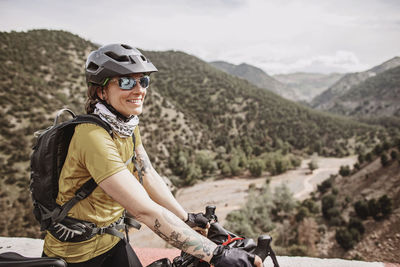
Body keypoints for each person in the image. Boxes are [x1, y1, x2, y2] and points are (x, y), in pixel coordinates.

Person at [42, 43, 262, 267]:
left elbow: (147, 175)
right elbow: (143, 210)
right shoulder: (92, 137)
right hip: (78, 254)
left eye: (143, 80)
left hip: (112, 240)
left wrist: (186, 218)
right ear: (101, 91)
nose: (139, 90)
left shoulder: (125, 125)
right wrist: (215, 254)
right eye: (126, 81)